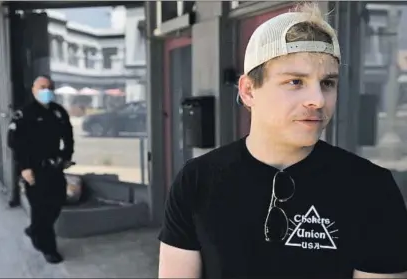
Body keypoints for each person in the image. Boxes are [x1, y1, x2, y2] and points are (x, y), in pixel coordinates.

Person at [158, 3, 407, 279]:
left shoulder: (370, 189)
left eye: (328, 83)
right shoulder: (196, 181)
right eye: (295, 82)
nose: (318, 100)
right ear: (249, 90)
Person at [7, 75, 74, 264]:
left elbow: (68, 135)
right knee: (40, 208)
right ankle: (48, 247)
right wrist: (24, 167)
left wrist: (66, 156)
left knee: (57, 201)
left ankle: (35, 229)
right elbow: (14, 142)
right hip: (34, 169)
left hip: (54, 168)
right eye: (42, 87)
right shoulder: (25, 113)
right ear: (33, 90)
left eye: (49, 87)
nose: (47, 90)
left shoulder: (58, 112)